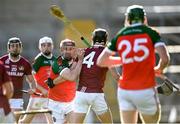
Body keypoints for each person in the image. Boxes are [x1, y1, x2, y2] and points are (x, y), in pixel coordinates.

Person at [97, 5, 170, 123]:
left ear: (128, 19)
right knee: (152, 121)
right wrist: (159, 68)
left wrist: (126, 60)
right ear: (144, 18)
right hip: (145, 89)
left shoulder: (121, 34)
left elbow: (101, 61)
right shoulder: (151, 33)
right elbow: (165, 58)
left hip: (124, 91)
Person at [73, 28, 120, 123]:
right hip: (96, 94)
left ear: (92, 39)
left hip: (81, 94)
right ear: (106, 40)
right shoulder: (106, 54)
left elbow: (74, 72)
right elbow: (116, 76)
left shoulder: (83, 52)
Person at [46, 39, 84, 123]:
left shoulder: (75, 60)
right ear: (61, 50)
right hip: (55, 103)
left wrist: (54, 82)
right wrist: (80, 60)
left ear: (75, 50)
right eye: (65, 49)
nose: (68, 51)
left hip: (71, 102)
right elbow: (72, 77)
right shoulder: (58, 63)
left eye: (71, 49)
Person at [19, 36, 55, 123]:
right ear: (39, 47)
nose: (46, 47)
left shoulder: (55, 60)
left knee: (52, 122)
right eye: (43, 45)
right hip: (38, 97)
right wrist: (42, 90)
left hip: (49, 97)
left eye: (48, 45)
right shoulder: (39, 59)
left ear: (52, 46)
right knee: (25, 122)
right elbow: (30, 78)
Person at [0, 37, 37, 122]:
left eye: (17, 46)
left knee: (15, 119)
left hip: (17, 98)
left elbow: (31, 80)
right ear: (8, 48)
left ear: (21, 48)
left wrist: (33, 88)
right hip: (3, 97)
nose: (15, 48)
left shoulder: (25, 63)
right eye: (12, 46)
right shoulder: (2, 61)